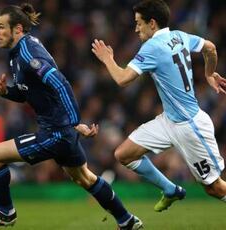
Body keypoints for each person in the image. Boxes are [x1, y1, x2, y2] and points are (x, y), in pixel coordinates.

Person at [0, 3, 143, 230]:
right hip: (59, 130)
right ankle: (127, 220)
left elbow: (60, 84)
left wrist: (74, 123)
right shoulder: (19, 52)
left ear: (18, 29)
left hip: (56, 132)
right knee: (85, 178)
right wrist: (7, 92)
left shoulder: (27, 54)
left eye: (1, 27)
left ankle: (5, 212)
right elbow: (28, 93)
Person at [92, 0, 226, 213]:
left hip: (190, 126)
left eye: (139, 23)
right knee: (124, 154)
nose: (136, 28)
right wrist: (209, 73)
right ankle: (170, 189)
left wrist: (108, 59)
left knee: (215, 188)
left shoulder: (152, 47)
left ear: (152, 23)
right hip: (169, 121)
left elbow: (123, 79)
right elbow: (210, 47)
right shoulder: (180, 36)